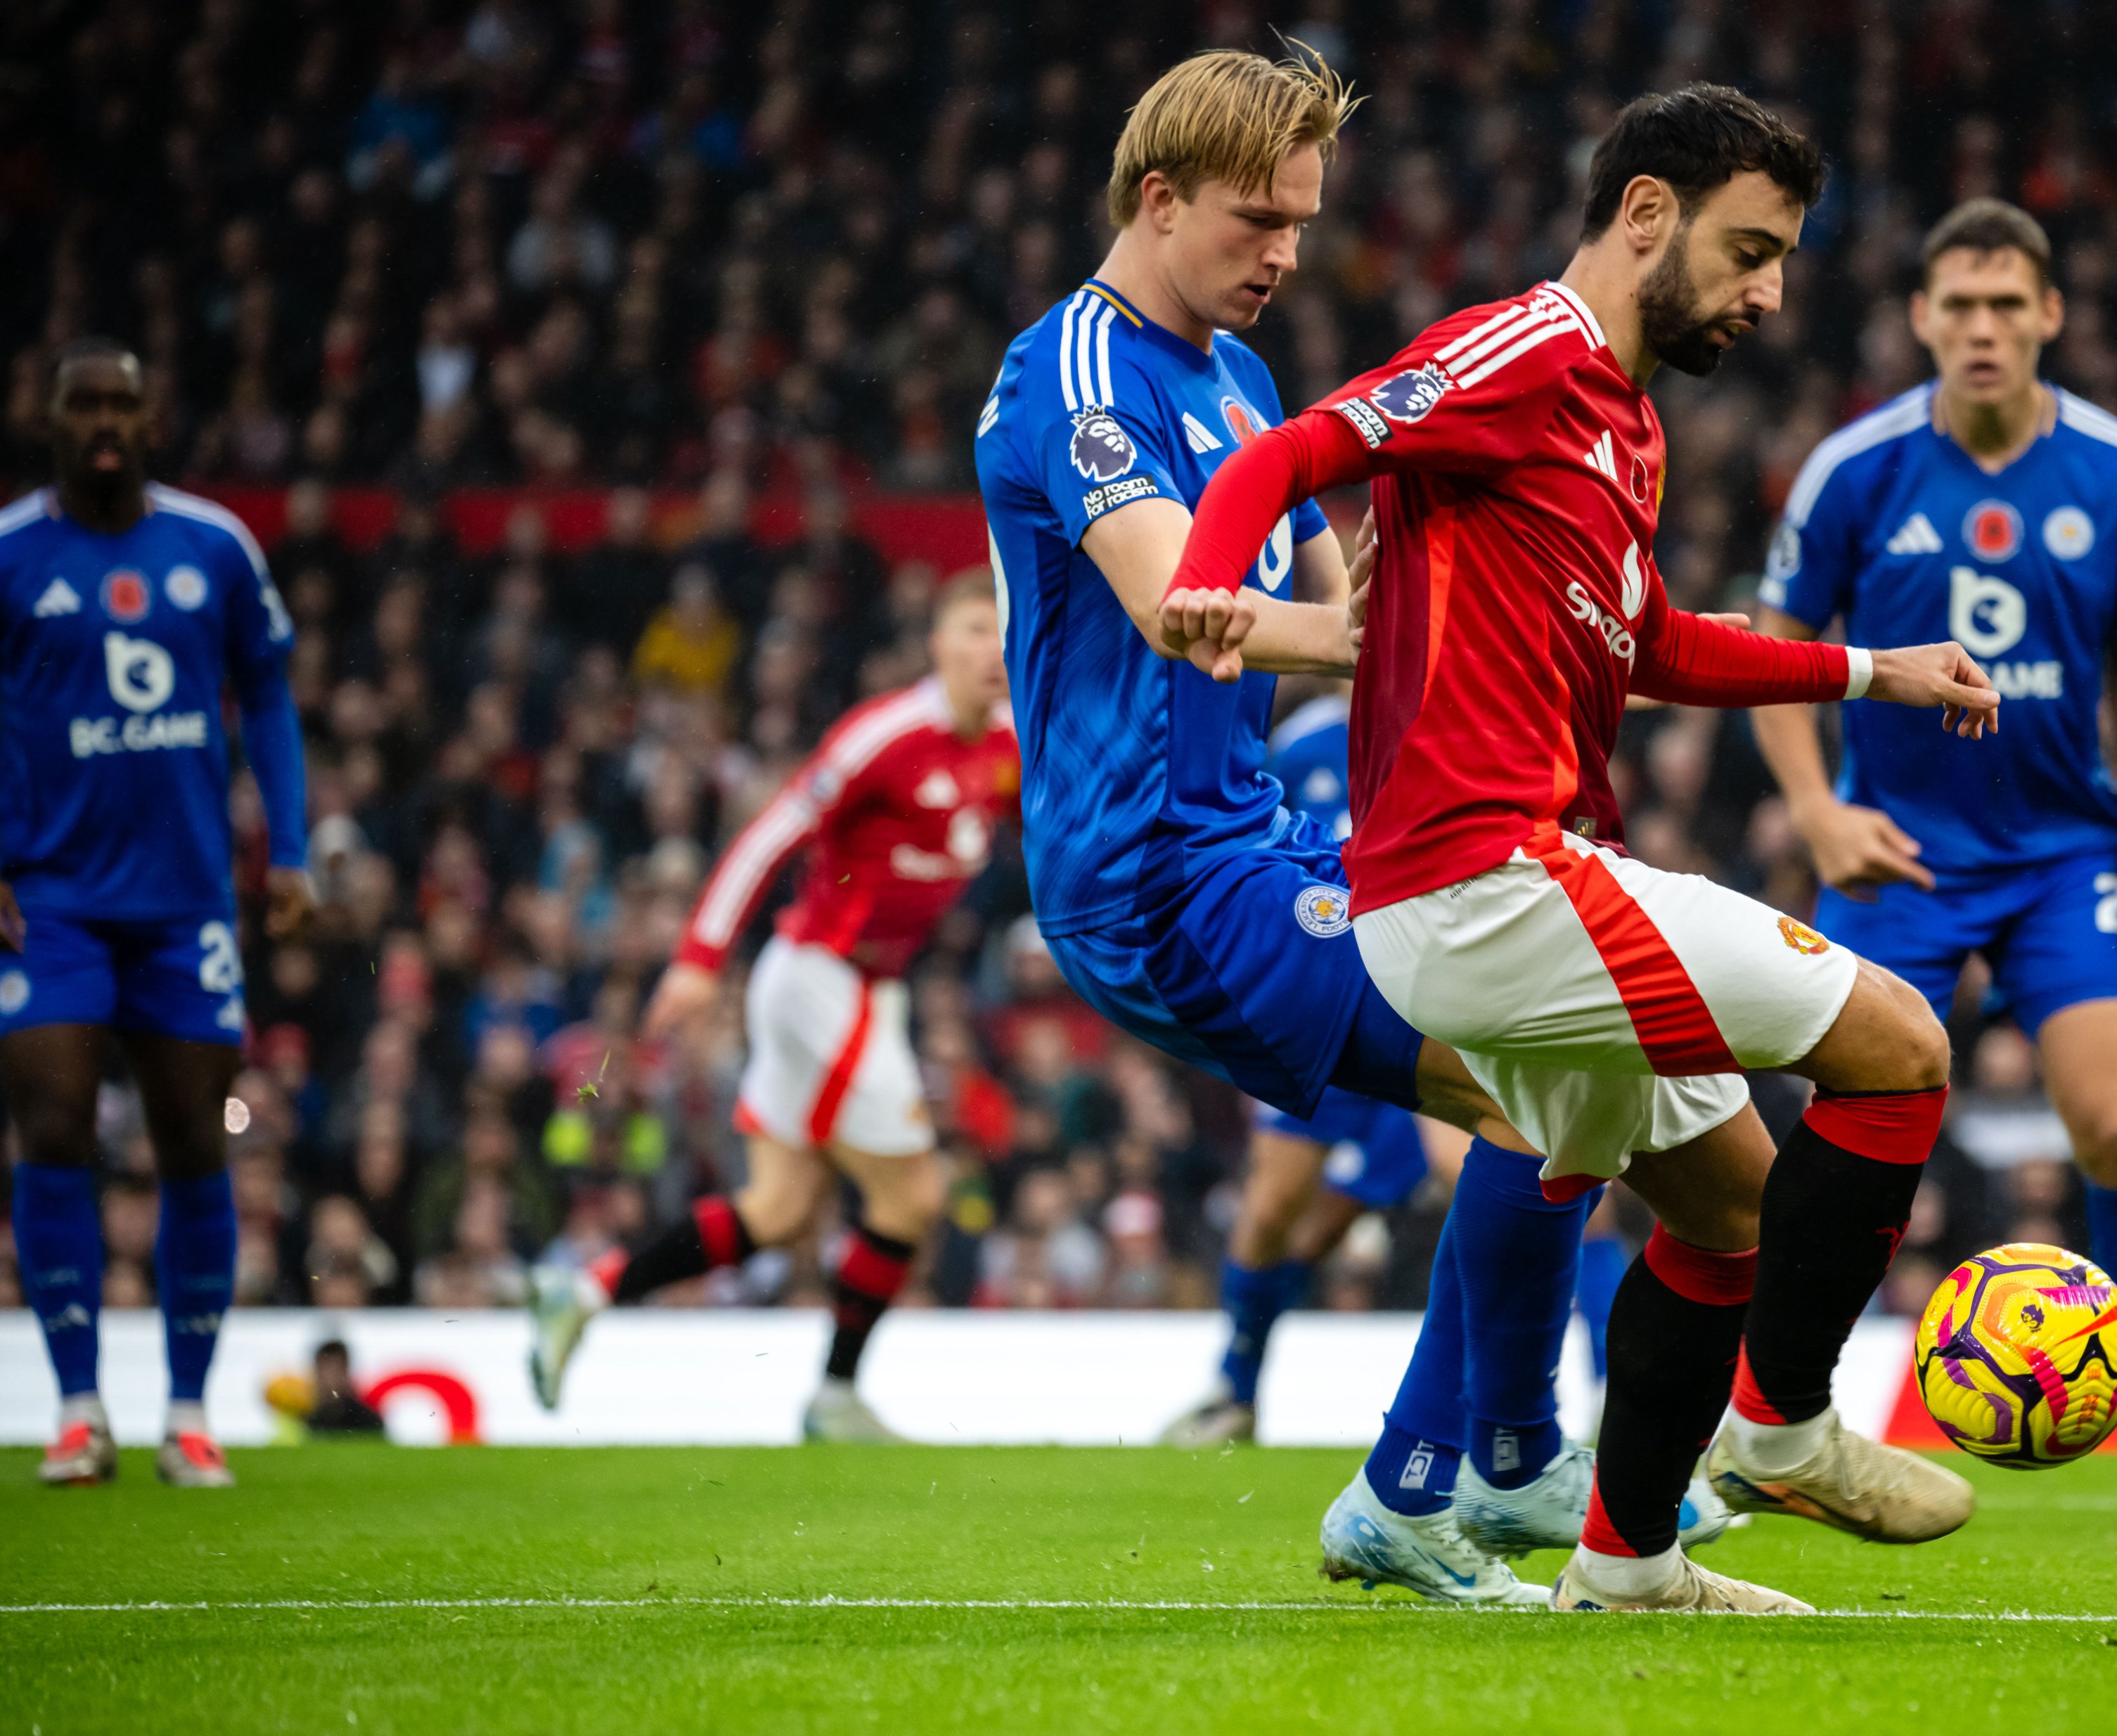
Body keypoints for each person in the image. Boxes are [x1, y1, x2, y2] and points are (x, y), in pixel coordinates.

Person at [1165, 86, 2002, 1613]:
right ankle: (1782, 1428)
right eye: (1748, 252)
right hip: (1480, 880)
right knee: (1898, 1041)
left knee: (1731, 1207)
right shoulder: (1518, 352)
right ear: (1642, 215)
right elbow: (1287, 455)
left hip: (1509, 881)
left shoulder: (1622, 423)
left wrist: (1874, 668)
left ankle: (1626, 1563)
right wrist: (1212, 591)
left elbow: (1658, 642)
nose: (1764, 294)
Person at [976, 46, 1690, 1609]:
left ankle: (1445, 1477)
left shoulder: (1239, 380)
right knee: (1536, 1073)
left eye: (1301, 222)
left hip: (1263, 845)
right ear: (1156, 202)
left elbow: (1325, 602)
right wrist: (1439, 634)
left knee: (1558, 1074)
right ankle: (1484, 1461)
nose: (1286, 256)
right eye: (1257, 221)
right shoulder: (1074, 375)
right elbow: (1188, 608)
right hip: (1155, 880)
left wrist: (1408, 610)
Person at [1744, 197, 2117, 1532]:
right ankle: (1777, 1421)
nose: (1981, 328)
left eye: (2004, 304)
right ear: (1921, 319)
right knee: (1828, 1149)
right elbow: (1772, 649)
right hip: (1900, 854)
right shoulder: (1854, 470)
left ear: (2049, 315)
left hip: (2062, 853)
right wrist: (1817, 813)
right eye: (1956, 306)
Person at [526, 570, 1017, 1440]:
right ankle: (834, 1394)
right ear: (937, 644)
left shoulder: (1013, 744)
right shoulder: (883, 737)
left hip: (870, 990)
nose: (991, 648)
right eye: (973, 629)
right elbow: (766, 836)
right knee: (914, 1195)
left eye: (1001, 629)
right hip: (824, 979)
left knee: (782, 1210)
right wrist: (698, 958)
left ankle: (588, 1288)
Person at [2, 337, 312, 1488]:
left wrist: (292, 852)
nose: (103, 423)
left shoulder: (213, 546)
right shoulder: (10, 555)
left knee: (193, 1140)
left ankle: (188, 1410)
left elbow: (270, 693)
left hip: (186, 904)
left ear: (149, 419)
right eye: (82, 402)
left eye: (120, 405)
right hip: (52, 899)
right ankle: (78, 1407)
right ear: (50, 418)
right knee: (53, 1127)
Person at [1162, 686, 1436, 1448]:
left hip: (1439, 997)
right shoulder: (1301, 739)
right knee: (1278, 1209)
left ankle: (1497, 1402)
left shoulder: (1455, 718)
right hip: (1326, 997)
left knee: (1476, 1170)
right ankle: (1235, 1387)